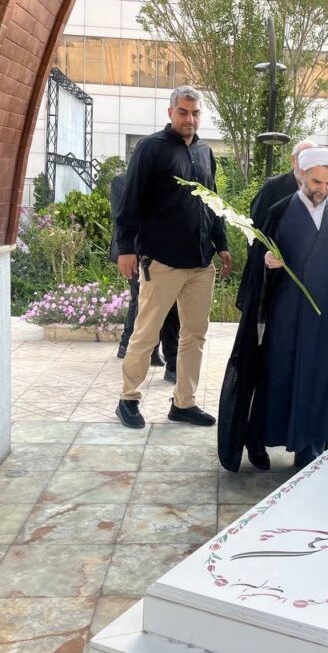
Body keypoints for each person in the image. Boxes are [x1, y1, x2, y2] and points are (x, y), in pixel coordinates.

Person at [218, 147, 328, 472]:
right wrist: (267, 262)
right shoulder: (279, 211)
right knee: (278, 379)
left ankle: (310, 449)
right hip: (287, 318)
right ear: (302, 176)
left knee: (320, 383)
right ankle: (259, 439)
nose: (322, 189)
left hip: (327, 319)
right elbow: (257, 261)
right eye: (316, 182)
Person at [114, 85, 232, 429]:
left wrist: (221, 243)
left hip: (200, 263)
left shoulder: (205, 152)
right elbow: (131, 199)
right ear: (171, 113)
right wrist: (125, 248)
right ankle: (128, 399)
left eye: (195, 113)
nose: (189, 119)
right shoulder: (150, 148)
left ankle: (184, 403)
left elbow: (212, 200)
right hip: (162, 260)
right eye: (183, 112)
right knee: (146, 333)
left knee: (194, 335)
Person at [108, 169, 180, 382]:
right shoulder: (122, 181)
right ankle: (134, 347)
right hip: (136, 253)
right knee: (143, 301)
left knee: (162, 304)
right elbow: (124, 218)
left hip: (165, 254)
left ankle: (160, 356)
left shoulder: (163, 180)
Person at [235, 140, 315, 311]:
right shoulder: (273, 187)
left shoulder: (319, 191)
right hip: (273, 271)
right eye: (304, 158)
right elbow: (255, 229)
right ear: (293, 160)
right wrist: (266, 254)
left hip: (306, 274)